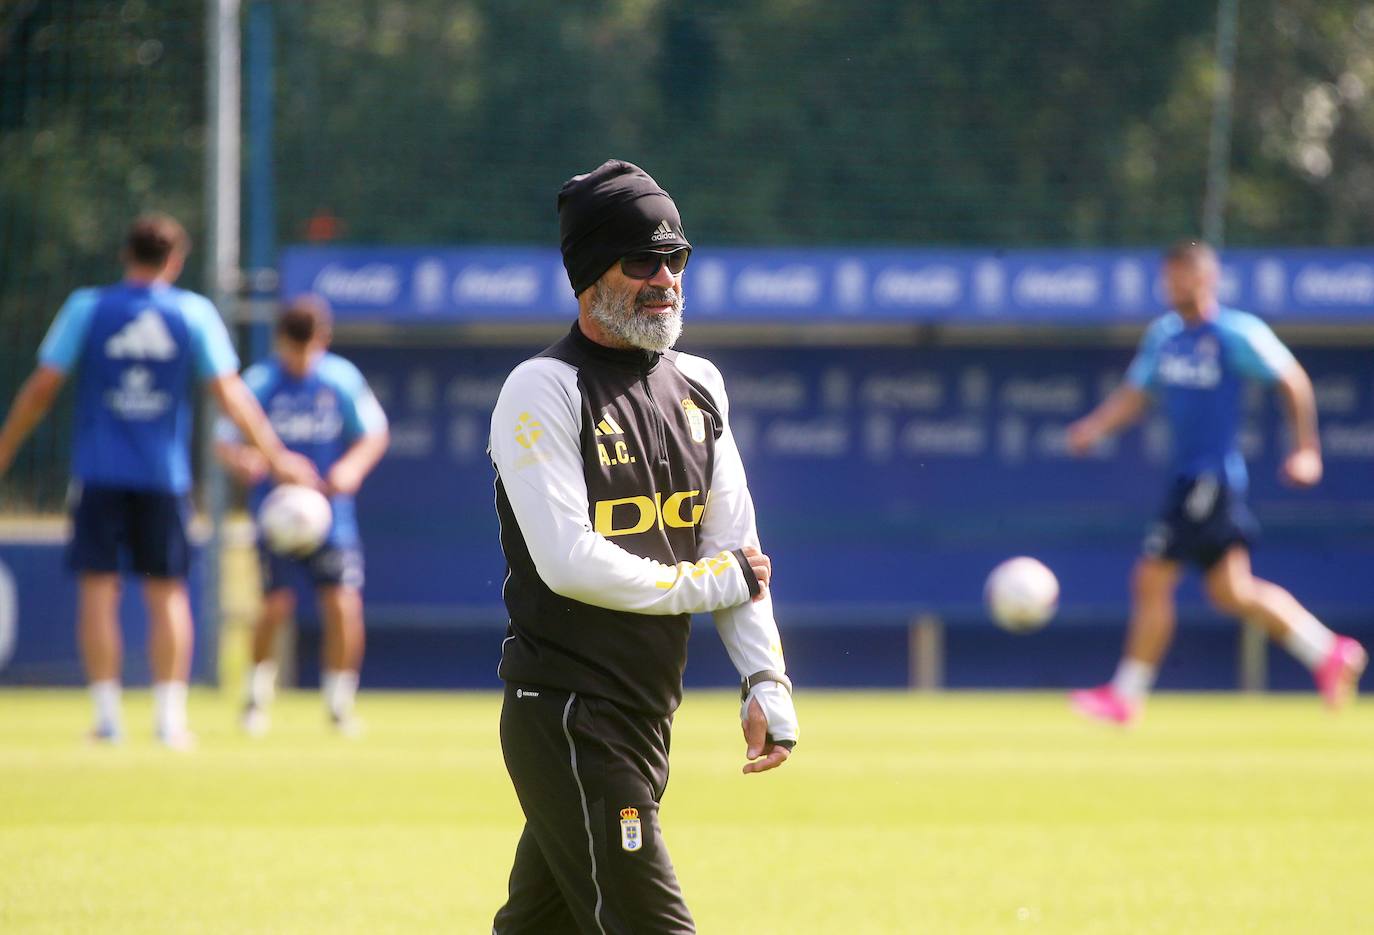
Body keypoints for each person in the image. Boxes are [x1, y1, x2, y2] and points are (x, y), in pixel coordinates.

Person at [488, 160, 799, 934]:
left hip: (644, 716)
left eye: (676, 258)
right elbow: (568, 560)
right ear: (590, 276)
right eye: (641, 260)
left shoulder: (700, 383)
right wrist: (707, 584)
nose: (665, 277)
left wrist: (765, 675)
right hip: (566, 713)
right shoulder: (542, 388)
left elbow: (737, 547)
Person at [0, 213, 317, 747]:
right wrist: (276, 454)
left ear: (127, 255)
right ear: (174, 262)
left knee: (98, 592)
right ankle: (170, 721)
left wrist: (5, 447)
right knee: (167, 593)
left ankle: (107, 719)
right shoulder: (192, 313)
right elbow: (231, 394)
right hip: (163, 479)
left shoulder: (88, 307)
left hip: (98, 474)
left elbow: (42, 388)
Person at [1067, 241, 1366, 724]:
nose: (1171, 284)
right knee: (1231, 592)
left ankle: (1126, 695)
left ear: (1206, 278)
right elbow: (1136, 393)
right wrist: (1094, 427)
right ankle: (1327, 651)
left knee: (1151, 578)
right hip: (1186, 478)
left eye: (1180, 274)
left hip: (1210, 478)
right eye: (1167, 276)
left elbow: (1292, 379)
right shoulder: (1164, 336)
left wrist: (1306, 449)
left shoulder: (1235, 333)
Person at [215, 295, 389, 736]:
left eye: (311, 348)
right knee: (275, 605)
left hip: (331, 517)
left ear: (324, 341)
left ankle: (338, 704)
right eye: (295, 349)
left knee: (342, 604)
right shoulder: (259, 382)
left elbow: (374, 433)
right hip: (276, 515)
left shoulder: (340, 378)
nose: (302, 359)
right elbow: (224, 440)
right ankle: (255, 699)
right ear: (280, 342)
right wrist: (244, 461)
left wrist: (351, 468)